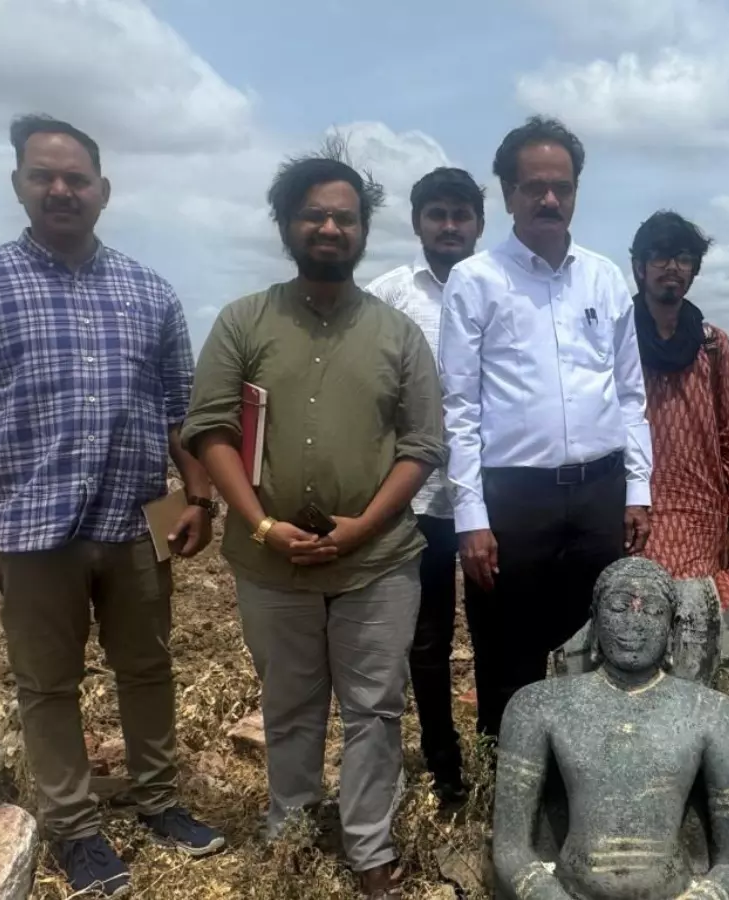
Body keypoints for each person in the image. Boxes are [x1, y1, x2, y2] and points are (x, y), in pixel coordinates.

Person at [0, 114, 224, 897]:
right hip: (30, 523)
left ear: (103, 191)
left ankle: (158, 798)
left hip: (138, 517)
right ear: (18, 185)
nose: (60, 189)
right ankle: (74, 827)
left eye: (76, 178)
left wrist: (198, 497)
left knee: (149, 665)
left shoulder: (150, 291)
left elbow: (178, 411)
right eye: (42, 176)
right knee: (48, 683)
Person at [181, 141, 445, 900]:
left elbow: (423, 445)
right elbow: (210, 429)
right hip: (270, 561)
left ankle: (370, 849)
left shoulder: (398, 334)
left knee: (374, 709)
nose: (329, 229)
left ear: (363, 231)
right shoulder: (243, 321)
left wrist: (362, 526)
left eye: (345, 218)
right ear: (286, 226)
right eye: (313, 217)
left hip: (378, 562)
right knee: (290, 703)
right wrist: (261, 525)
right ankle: (291, 825)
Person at [440, 116, 653, 741]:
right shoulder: (477, 281)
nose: (549, 199)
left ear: (577, 191)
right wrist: (471, 518)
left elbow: (630, 392)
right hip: (514, 497)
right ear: (507, 195)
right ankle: (509, 788)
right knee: (508, 648)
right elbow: (460, 406)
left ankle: (585, 774)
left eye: (561, 186)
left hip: (597, 492)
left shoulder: (604, 277)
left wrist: (636, 489)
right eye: (533, 187)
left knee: (597, 641)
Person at [491, 558, 729, 900]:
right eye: (618, 607)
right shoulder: (537, 706)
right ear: (596, 616)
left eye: (653, 611)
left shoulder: (718, 715)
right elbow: (511, 850)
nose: (634, 623)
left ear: (673, 626)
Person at [364, 166, 485, 805]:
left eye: (461, 215)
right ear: (418, 223)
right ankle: (445, 766)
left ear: (479, 224)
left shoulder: (501, 287)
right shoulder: (386, 297)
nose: (449, 226)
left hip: (492, 497)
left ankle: (501, 750)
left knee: (499, 633)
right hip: (418, 500)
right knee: (429, 637)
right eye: (437, 214)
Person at [630, 210, 729, 608]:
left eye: (683, 258)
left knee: (703, 620)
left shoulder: (712, 344)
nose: (672, 268)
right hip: (634, 513)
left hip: (701, 514)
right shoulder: (615, 339)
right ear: (639, 266)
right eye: (660, 256)